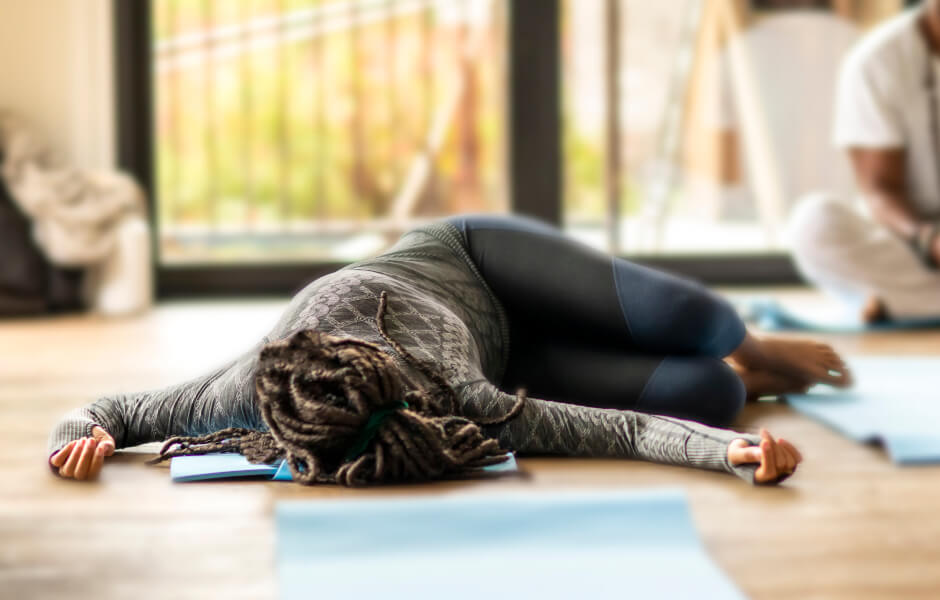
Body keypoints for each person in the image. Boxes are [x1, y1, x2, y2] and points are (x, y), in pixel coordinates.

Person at [48, 215, 845, 486]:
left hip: (473, 264)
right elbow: (633, 434)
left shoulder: (238, 388)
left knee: (696, 318)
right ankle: (746, 380)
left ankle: (762, 345)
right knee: (710, 395)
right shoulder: (467, 409)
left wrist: (83, 438)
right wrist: (735, 451)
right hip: (508, 357)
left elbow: (109, 410)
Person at [788, 0, 940, 323]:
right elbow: (880, 191)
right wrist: (928, 240)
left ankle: (900, 304)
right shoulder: (877, 61)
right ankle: (914, 301)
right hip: (912, 242)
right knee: (813, 224)